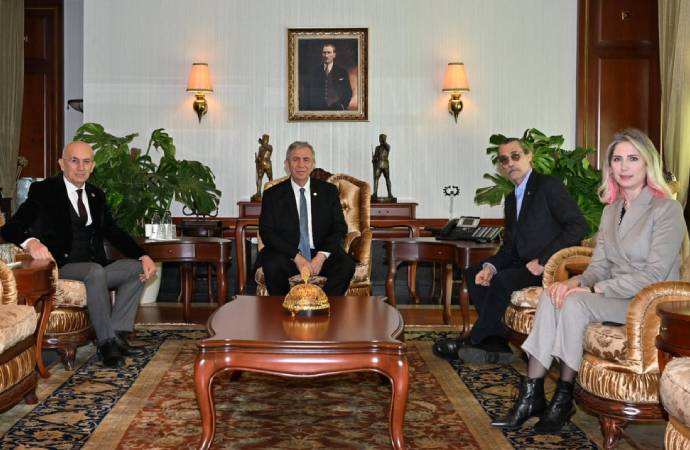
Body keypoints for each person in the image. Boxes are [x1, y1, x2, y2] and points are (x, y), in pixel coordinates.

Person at [492, 129, 685, 433]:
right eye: (617, 159)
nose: (624, 166)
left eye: (633, 159)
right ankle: (533, 394)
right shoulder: (611, 211)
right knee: (554, 294)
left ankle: (563, 396)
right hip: (614, 297)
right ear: (610, 167)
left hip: (647, 304)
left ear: (648, 163)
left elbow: (654, 275)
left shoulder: (666, 210)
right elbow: (599, 267)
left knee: (575, 304)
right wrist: (570, 284)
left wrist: (593, 288)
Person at [1, 141, 157, 368]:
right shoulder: (44, 192)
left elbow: (112, 231)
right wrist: (31, 242)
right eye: (74, 161)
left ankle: (117, 335)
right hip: (62, 266)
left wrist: (143, 255)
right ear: (62, 163)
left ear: (92, 166)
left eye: (86, 162)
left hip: (95, 268)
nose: (81, 167)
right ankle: (106, 344)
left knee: (136, 269)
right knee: (94, 271)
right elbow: (10, 228)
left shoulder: (96, 194)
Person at [433, 138, 588, 363]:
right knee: (475, 273)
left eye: (515, 156)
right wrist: (491, 266)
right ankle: (497, 344)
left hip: (550, 269)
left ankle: (473, 339)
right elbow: (509, 248)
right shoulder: (511, 200)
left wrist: (544, 260)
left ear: (529, 156)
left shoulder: (547, 185)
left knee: (503, 281)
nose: (510, 163)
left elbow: (578, 226)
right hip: (521, 265)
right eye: (504, 160)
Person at [258, 141, 355, 295]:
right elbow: (267, 232)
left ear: (313, 164)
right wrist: (296, 257)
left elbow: (339, 228)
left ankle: (325, 305)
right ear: (287, 164)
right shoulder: (273, 194)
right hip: (287, 254)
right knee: (272, 265)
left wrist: (321, 256)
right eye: (295, 159)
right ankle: (283, 307)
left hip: (320, 252)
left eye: (306, 159)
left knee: (345, 265)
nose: (301, 164)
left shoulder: (328, 191)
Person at [300, 43, 353, 111]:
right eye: (324, 53)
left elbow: (348, 92)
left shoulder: (342, 72)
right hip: (318, 109)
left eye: (329, 52)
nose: (326, 55)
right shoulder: (314, 72)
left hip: (337, 109)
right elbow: (307, 91)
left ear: (334, 55)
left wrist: (342, 105)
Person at [372, 134, 394, 200]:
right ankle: (375, 193)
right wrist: (374, 160)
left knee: (387, 179)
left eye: (382, 138)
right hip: (378, 164)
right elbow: (375, 156)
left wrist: (384, 142)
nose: (381, 139)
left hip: (385, 164)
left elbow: (388, 147)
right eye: (380, 138)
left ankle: (390, 193)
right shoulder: (377, 148)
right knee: (376, 178)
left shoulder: (387, 147)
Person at [252, 134, 273, 201]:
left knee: (270, 178)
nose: (264, 140)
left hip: (267, 164)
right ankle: (258, 193)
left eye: (265, 139)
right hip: (261, 164)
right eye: (263, 139)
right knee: (259, 178)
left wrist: (261, 143)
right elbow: (259, 156)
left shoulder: (269, 147)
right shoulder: (260, 148)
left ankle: (272, 192)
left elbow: (268, 148)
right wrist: (257, 160)